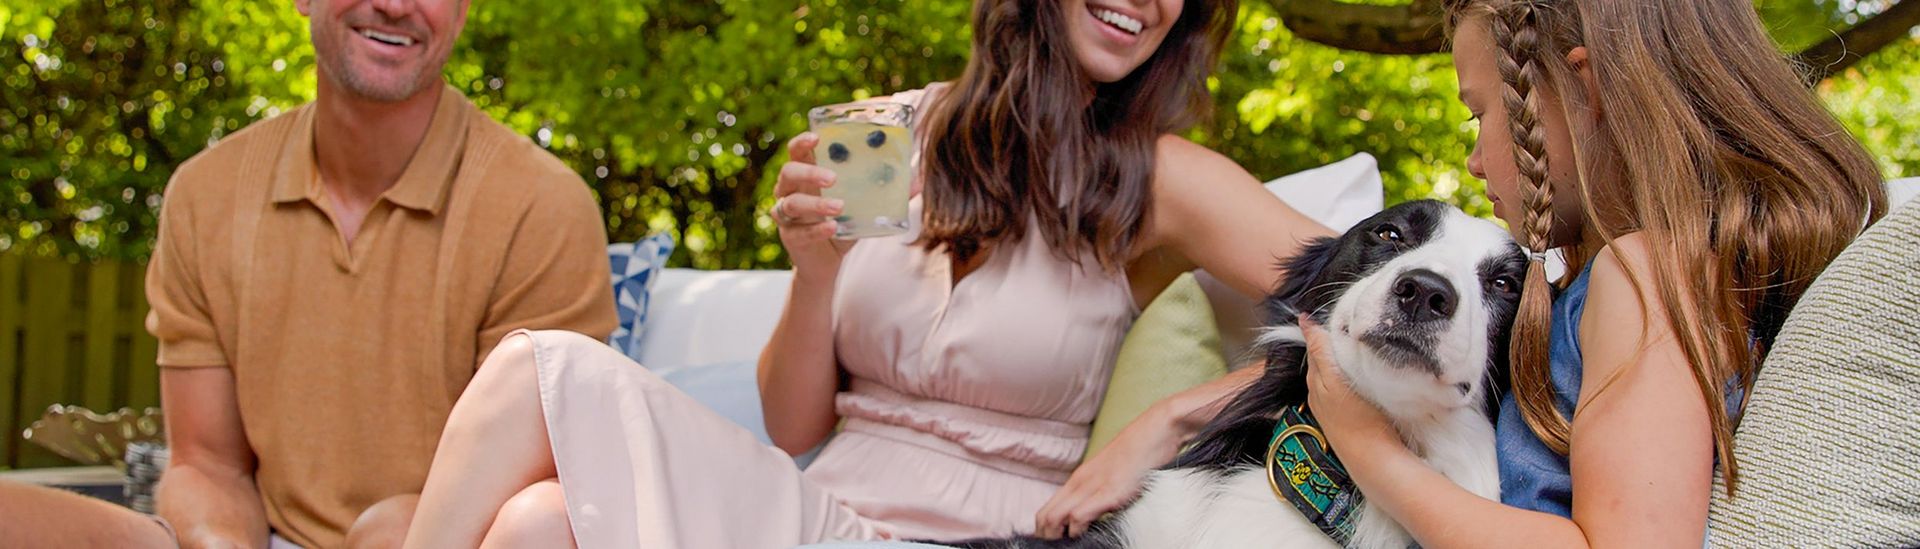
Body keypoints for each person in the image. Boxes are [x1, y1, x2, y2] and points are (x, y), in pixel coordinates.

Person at [401, 0, 1337, 546]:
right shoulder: (891, 132)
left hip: (983, 536)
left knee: (533, 367)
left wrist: (1172, 419)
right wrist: (814, 273)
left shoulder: (1161, 178)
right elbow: (797, 424)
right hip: (818, 514)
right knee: (535, 523)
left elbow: (1364, 302)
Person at [0, 0, 619, 547]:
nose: (394, 5)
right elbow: (208, 464)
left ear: (461, 10)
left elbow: (526, 506)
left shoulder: (541, 209)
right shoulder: (205, 195)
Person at [1295, 0, 1887, 546]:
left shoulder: (1646, 274)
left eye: (1479, 113)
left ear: (1584, 87)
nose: (1474, 162)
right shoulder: (1668, 273)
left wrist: (1365, 449)